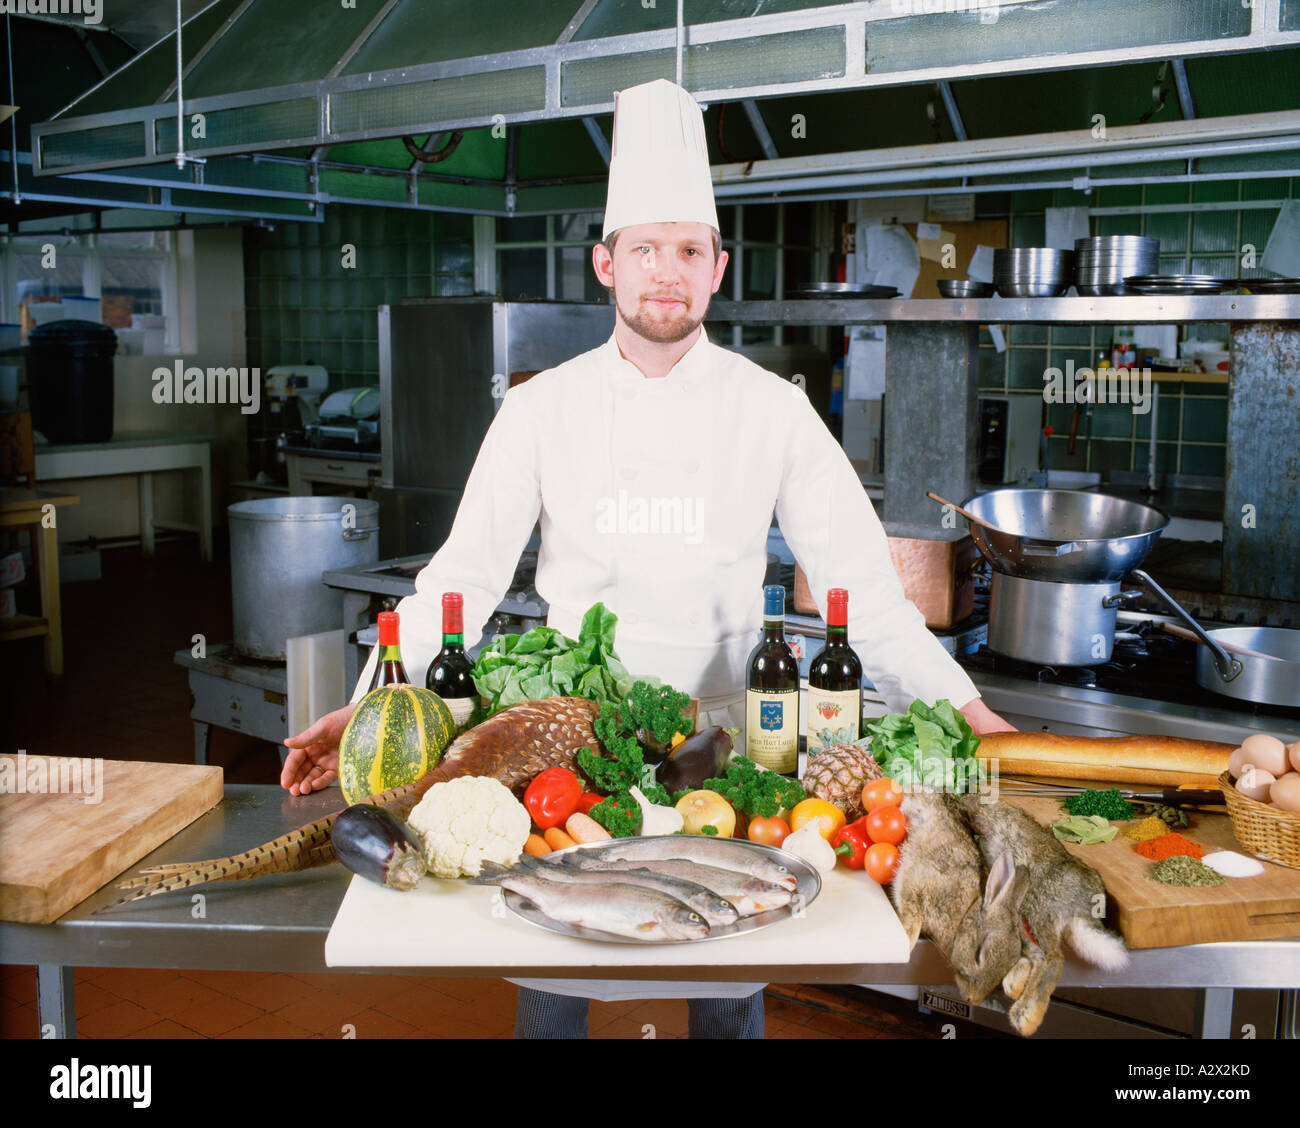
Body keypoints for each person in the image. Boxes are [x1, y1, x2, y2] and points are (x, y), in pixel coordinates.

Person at [282, 79, 1015, 1038]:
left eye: (686, 251)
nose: (665, 273)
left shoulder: (774, 410)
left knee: (728, 984)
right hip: (570, 748)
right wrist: (372, 703)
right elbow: (459, 581)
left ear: (716, 267)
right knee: (555, 975)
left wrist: (971, 712)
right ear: (605, 265)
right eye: (643, 251)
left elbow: (865, 602)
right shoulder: (541, 411)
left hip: (734, 754)